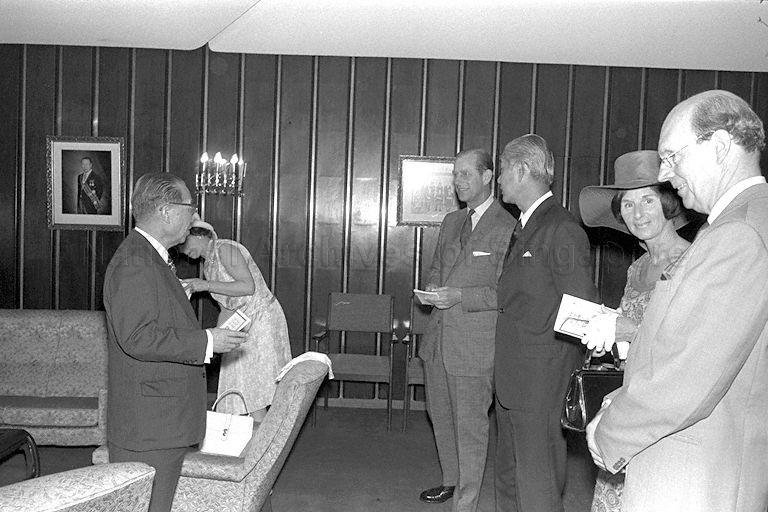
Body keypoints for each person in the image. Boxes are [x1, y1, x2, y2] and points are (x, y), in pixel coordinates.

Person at [588, 90, 768, 512]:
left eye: (671, 156)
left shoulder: (737, 234)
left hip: (693, 472)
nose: (665, 174)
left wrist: (610, 430)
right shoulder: (741, 221)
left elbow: (689, 371)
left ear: (719, 145)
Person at [103, 173, 247, 512]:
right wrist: (207, 341)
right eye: (190, 208)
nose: (195, 217)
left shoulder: (149, 256)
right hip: (150, 425)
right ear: (166, 211)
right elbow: (137, 337)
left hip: (161, 419)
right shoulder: (135, 263)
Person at [577, 150, 691, 512]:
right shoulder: (637, 267)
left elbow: (691, 349)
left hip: (667, 413)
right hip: (626, 403)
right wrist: (607, 338)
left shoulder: (693, 262)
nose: (637, 213)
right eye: (628, 204)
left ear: (668, 203)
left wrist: (628, 330)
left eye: (647, 200)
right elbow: (630, 336)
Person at [494, 134, 598, 512]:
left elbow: (583, 309)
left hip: (540, 384)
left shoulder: (560, 227)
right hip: (514, 379)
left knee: (537, 487)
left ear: (522, 170)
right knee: (509, 480)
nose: (499, 179)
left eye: (502, 170)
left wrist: (557, 378)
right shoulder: (526, 224)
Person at [417, 149, 514, 512]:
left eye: (465, 174)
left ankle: (466, 501)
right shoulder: (451, 221)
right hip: (438, 341)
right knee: (441, 416)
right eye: (455, 174)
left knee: (470, 427)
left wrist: (459, 296)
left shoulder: (508, 226)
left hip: (475, 347)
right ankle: (450, 480)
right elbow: (437, 268)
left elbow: (506, 292)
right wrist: (432, 288)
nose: (458, 181)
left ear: (488, 177)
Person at [179, 217, 292, 422]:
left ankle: (268, 434)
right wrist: (216, 340)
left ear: (199, 235)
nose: (182, 250)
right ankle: (258, 434)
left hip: (262, 320)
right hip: (241, 322)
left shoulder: (225, 249)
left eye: (185, 241)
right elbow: (226, 307)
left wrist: (204, 285)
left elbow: (248, 287)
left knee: (257, 384)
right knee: (242, 383)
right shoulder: (208, 266)